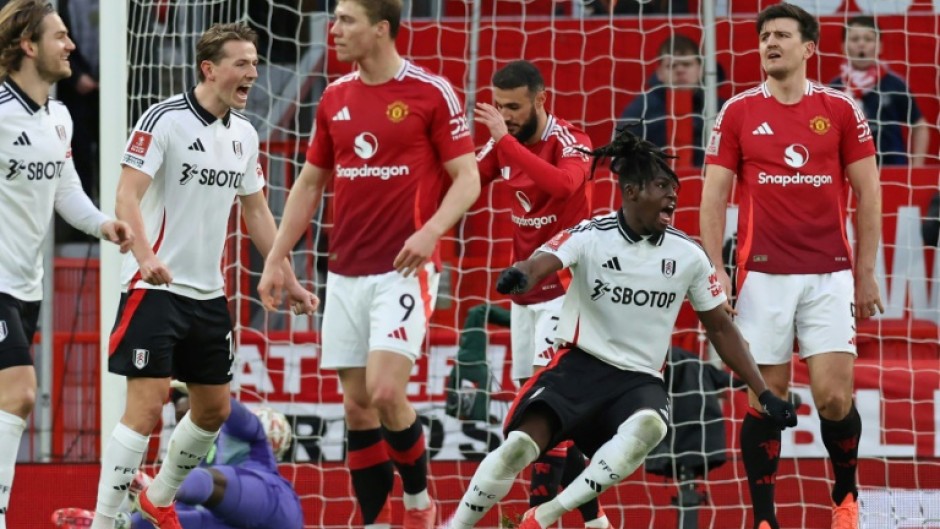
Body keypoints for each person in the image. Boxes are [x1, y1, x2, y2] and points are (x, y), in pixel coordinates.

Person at [443, 128, 796, 529]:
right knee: (517, 449)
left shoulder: (689, 255)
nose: (672, 197)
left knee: (650, 424)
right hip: (578, 368)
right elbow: (543, 261)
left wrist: (763, 391)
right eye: (662, 187)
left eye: (674, 188)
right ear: (630, 191)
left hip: (638, 380)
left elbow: (720, 328)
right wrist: (520, 275)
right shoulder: (591, 236)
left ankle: (543, 517)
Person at [255, 0, 480, 527]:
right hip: (345, 270)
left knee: (384, 390)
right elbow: (310, 183)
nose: (333, 30)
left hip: (403, 269)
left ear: (381, 30)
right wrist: (276, 257)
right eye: (334, 20)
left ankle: (421, 502)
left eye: (346, 20)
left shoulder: (430, 92)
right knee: (357, 406)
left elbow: (467, 177)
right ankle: (376, 519)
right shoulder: (334, 97)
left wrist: (430, 232)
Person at [89, 22, 318, 529]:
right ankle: (104, 522)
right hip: (154, 288)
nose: (252, 73)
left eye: (256, 63)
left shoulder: (244, 134)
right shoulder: (164, 119)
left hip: (208, 295)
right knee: (145, 409)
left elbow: (257, 212)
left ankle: (160, 498)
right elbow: (127, 195)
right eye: (241, 63)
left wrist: (286, 272)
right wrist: (145, 255)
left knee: (212, 410)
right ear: (209, 69)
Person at [699, 4, 883, 529]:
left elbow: (869, 192)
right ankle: (764, 519)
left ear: (809, 48)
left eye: (781, 34)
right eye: (763, 36)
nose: (769, 42)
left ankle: (844, 494)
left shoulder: (842, 109)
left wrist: (865, 272)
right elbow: (712, 200)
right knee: (769, 398)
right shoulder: (735, 112)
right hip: (761, 277)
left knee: (832, 397)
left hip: (828, 273)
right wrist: (716, 270)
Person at [0, 1, 134, 525]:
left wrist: (104, 224)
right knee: (22, 391)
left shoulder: (58, 117)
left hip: (26, 288)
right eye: (60, 36)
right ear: (28, 46)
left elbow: (66, 192)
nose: (72, 45)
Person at [474, 60, 609, 529]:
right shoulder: (502, 144)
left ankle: (535, 514)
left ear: (540, 99)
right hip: (526, 295)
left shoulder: (571, 140)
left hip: (568, 291)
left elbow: (565, 184)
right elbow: (469, 187)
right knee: (546, 409)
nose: (505, 115)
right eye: (499, 106)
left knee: (543, 406)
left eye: (514, 106)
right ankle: (594, 521)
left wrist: (504, 142)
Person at [829, 15, 928, 167]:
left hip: (893, 169)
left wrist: (917, 165)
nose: (861, 44)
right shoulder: (833, 89)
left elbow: (919, 125)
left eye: (868, 39)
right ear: (843, 46)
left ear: (880, 46)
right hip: (848, 170)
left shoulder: (895, 84)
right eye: (855, 39)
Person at [618, 34, 723, 167]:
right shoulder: (640, 109)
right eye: (672, 66)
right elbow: (621, 159)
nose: (680, 70)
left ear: (701, 69)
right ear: (660, 72)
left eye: (687, 64)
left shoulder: (720, 108)